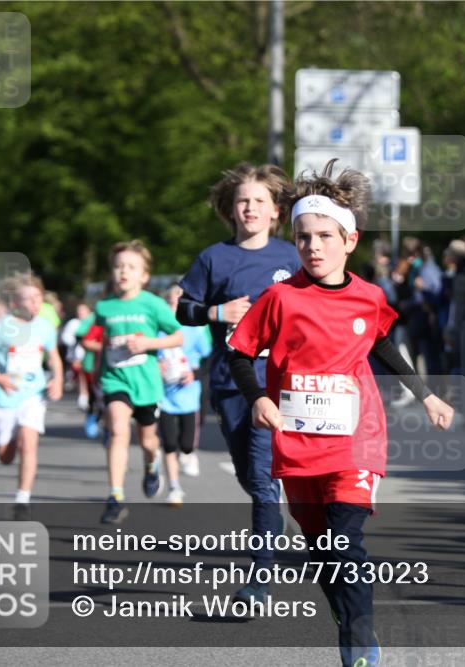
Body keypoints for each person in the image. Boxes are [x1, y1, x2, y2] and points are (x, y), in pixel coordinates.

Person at [228, 160, 454, 667]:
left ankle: (358, 640)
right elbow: (239, 354)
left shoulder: (369, 297)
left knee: (345, 541)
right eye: (304, 236)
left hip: (356, 440)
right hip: (297, 444)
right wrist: (259, 398)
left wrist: (427, 396)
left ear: (348, 240)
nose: (312, 246)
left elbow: (385, 346)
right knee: (322, 553)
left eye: (324, 236)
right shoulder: (280, 298)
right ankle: (347, 620)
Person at [176, 162, 301, 600]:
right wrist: (216, 313)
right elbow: (183, 309)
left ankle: (260, 578)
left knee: (264, 477)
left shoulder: (291, 256)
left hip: (280, 382)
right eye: (242, 201)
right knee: (250, 476)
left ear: (275, 212)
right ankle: (272, 509)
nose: (250, 208)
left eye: (259, 202)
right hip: (231, 381)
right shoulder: (214, 258)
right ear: (231, 210)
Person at [95, 240, 183, 524]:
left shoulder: (153, 304)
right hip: (115, 379)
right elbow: (94, 339)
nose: (123, 271)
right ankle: (115, 497)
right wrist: (96, 347)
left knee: (147, 441)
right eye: (118, 266)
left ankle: (151, 465)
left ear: (144, 275)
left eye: (131, 267)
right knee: (119, 430)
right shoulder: (104, 307)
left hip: (146, 384)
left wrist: (148, 343)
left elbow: (178, 336)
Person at [0, 273, 63, 510]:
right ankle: (10, 438)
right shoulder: (3, 327)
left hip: (33, 395)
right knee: (5, 456)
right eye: (29, 299)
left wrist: (57, 379)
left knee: (29, 444)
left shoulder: (44, 327)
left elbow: (54, 356)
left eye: (38, 297)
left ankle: (22, 499)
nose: (35, 303)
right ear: (15, 303)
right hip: (5, 396)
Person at [157, 285, 211, 506]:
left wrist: (193, 373)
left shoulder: (195, 330)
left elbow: (209, 359)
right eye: (170, 302)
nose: (175, 306)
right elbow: (147, 356)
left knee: (186, 445)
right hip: (164, 396)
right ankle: (174, 487)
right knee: (169, 443)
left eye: (179, 302)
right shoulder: (158, 331)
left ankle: (188, 454)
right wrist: (156, 367)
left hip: (189, 396)